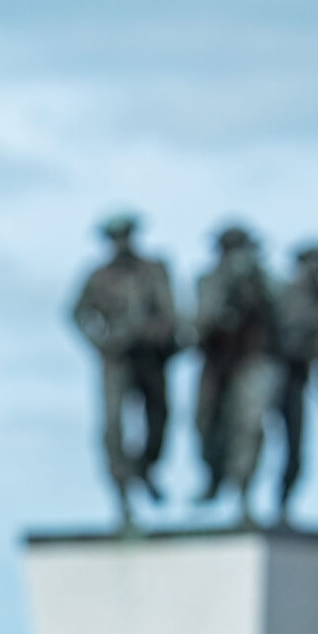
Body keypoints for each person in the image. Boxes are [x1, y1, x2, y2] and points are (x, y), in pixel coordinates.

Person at [68, 213, 181, 529]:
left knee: (157, 420)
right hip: (116, 360)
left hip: (149, 358)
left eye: (125, 236)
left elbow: (171, 312)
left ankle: (146, 468)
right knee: (114, 429)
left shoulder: (154, 271)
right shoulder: (99, 277)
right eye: (115, 238)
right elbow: (76, 313)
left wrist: (159, 330)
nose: (121, 244)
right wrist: (101, 341)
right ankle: (122, 494)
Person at [191, 223, 279, 521]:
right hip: (216, 364)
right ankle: (213, 477)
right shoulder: (208, 281)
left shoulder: (264, 282)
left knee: (249, 429)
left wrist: (254, 285)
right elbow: (200, 324)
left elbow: (278, 316)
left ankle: (243, 490)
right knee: (206, 424)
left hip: (251, 362)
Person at [273, 241, 318, 525]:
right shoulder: (281, 295)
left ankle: (283, 505)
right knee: (248, 435)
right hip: (272, 373)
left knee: (295, 448)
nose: (315, 273)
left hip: (298, 380)